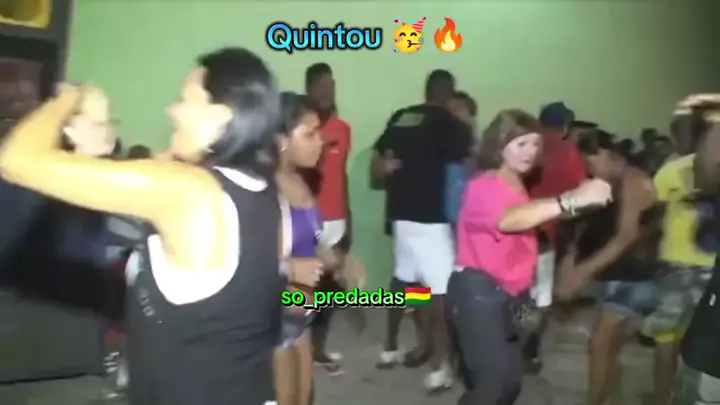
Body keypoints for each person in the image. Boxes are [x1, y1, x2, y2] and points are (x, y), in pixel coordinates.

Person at [0, 47, 313, 405]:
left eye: (184, 99)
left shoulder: (189, 191)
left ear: (220, 115)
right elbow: (144, 176)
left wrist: (73, 96)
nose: (171, 110)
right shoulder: (261, 188)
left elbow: (16, 160)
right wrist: (103, 145)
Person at [449, 109, 612, 405]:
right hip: (480, 293)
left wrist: (581, 200)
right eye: (521, 143)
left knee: (512, 379)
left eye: (535, 143)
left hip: (514, 292)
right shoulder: (483, 185)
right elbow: (509, 219)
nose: (530, 151)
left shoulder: (516, 181)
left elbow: (531, 216)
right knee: (492, 385)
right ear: (499, 145)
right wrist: (570, 200)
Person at [372, 69, 472, 393]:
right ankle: (440, 367)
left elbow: (378, 160)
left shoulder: (403, 116)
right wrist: (464, 123)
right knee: (440, 294)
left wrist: (387, 167)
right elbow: (468, 159)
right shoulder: (449, 123)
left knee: (406, 280)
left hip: (401, 216)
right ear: (449, 93)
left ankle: (389, 348)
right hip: (432, 220)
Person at [556, 130, 659, 405]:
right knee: (609, 348)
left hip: (634, 279)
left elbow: (626, 236)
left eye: (589, 162)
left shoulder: (634, 182)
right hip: (618, 275)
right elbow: (584, 221)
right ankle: (612, 398)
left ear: (607, 154)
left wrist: (583, 271)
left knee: (600, 345)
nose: (587, 169)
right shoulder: (608, 182)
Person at [640, 101, 719, 405]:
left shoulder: (672, 170)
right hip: (709, 266)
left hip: (679, 266)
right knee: (698, 336)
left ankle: (663, 397)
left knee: (667, 337)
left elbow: (650, 214)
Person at [273, 92, 338, 405]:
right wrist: (291, 268)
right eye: (309, 134)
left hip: (303, 314)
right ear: (282, 140)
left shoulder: (300, 183)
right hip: (274, 319)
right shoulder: (266, 191)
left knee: (305, 397)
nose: (320, 142)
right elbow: (250, 263)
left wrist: (339, 260)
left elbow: (312, 241)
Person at [523, 101, 588, 374]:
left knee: (514, 291)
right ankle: (530, 350)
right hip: (546, 235)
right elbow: (579, 198)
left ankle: (506, 342)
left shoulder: (525, 145)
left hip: (516, 229)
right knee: (540, 297)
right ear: (565, 126)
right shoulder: (568, 152)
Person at [304, 63, 351, 373]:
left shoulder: (343, 129)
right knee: (303, 287)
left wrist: (349, 216)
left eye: (331, 85)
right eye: (321, 85)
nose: (328, 91)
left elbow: (341, 175)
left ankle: (317, 348)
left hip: (336, 218)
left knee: (329, 289)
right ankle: (297, 348)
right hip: (308, 219)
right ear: (309, 89)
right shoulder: (301, 130)